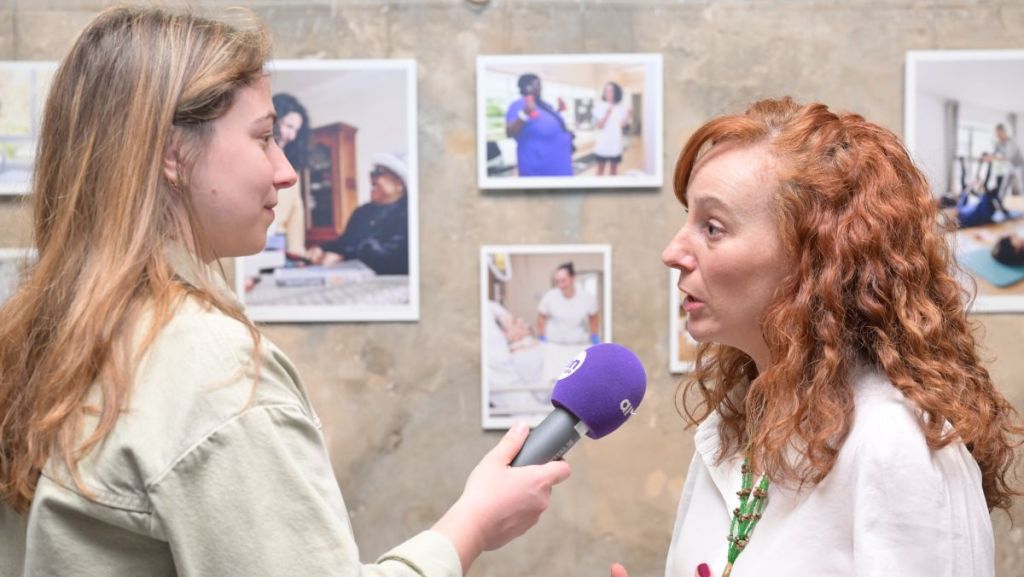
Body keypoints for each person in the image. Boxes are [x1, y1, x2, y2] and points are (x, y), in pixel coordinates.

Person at [0, 7, 570, 576]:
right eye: (264, 138)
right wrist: (470, 525)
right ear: (173, 154)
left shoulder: (36, 336)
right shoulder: (210, 370)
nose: (286, 171)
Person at [616, 97, 1023, 577]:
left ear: (813, 260)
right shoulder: (733, 425)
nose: (671, 251)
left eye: (712, 227)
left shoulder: (894, 444)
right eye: (687, 218)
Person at [307, 153, 410, 275]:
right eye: (372, 173)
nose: (372, 178)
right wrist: (322, 249)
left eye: (379, 173)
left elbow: (391, 258)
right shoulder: (362, 212)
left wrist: (344, 256)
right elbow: (344, 243)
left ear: (400, 183)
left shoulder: (409, 214)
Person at [505, 73, 574, 177]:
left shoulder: (544, 104)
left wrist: (559, 110)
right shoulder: (518, 105)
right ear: (527, 87)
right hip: (539, 165)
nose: (540, 88)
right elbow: (509, 132)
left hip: (557, 162)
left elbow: (546, 121)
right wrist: (524, 113)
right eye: (537, 84)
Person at [269, 92, 311, 258]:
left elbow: (296, 210)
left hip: (279, 246)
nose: (292, 136)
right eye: (288, 126)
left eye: (296, 131)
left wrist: (297, 252)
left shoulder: (293, 168)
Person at [536, 262, 599, 348]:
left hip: (578, 342)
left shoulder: (587, 297)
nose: (560, 285)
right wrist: (541, 336)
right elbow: (541, 317)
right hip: (553, 342)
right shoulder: (549, 296)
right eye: (557, 282)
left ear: (573, 278)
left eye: (563, 281)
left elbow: (593, 317)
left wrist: (594, 336)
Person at [593, 81, 632, 176]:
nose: (608, 93)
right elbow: (599, 126)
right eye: (606, 91)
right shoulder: (599, 106)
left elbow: (622, 125)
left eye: (610, 91)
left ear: (616, 92)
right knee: (600, 170)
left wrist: (628, 114)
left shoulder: (620, 107)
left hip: (615, 143)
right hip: (602, 143)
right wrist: (607, 114)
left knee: (614, 170)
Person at [992, 123, 1024, 197]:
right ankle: (1000, 202)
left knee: (1022, 186)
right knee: (1004, 186)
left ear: (1003, 132)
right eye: (996, 133)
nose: (997, 135)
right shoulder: (1000, 142)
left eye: (998, 133)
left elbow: (1008, 157)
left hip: (1020, 165)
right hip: (1011, 165)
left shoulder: (1011, 142)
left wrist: (995, 158)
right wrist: (989, 157)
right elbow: (994, 152)